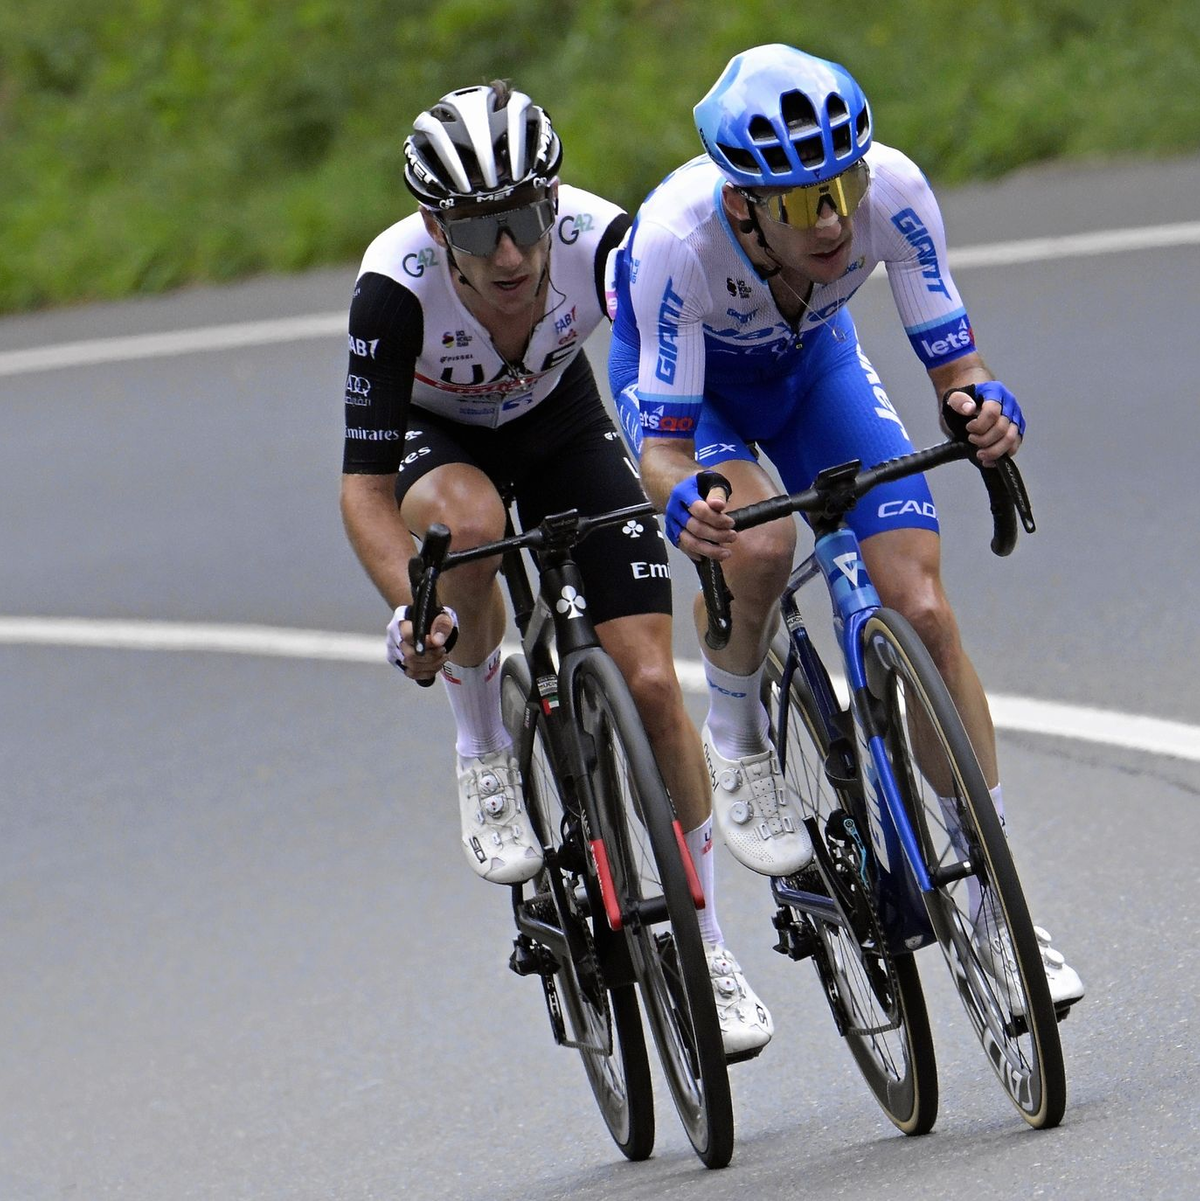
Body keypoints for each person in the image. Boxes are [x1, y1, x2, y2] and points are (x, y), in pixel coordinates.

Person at [608, 44, 1084, 1010]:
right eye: (797, 204)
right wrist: (684, 502)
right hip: (693, 401)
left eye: (841, 187)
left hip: (814, 366)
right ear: (743, 203)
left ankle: (996, 896)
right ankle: (736, 730)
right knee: (761, 542)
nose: (831, 222)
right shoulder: (674, 243)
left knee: (923, 608)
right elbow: (661, 452)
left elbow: (959, 371)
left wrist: (986, 410)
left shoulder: (896, 193)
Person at [339, 80, 787, 1056]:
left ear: (554, 201)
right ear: (434, 225)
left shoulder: (605, 242)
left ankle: (706, 943)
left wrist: (682, 487)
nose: (509, 252)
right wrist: (413, 613)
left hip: (565, 422)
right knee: (468, 520)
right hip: (440, 441)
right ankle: (484, 743)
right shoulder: (394, 284)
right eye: (478, 229)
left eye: (525, 218)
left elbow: (660, 383)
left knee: (653, 685)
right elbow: (365, 491)